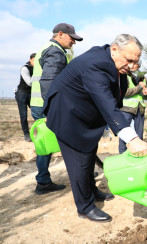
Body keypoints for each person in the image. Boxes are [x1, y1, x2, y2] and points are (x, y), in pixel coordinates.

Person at [43, 34, 147, 223]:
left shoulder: (114, 64)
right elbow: (107, 103)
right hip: (68, 115)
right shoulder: (96, 64)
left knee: (90, 153)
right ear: (115, 49)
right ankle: (84, 207)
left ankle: (91, 190)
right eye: (130, 60)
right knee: (80, 161)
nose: (132, 66)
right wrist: (132, 139)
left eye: (136, 62)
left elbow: (115, 95)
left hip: (84, 114)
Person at [30, 23, 83, 195]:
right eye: (71, 38)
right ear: (60, 34)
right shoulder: (55, 51)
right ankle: (47, 181)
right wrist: (51, 108)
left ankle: (44, 181)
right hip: (46, 106)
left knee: (46, 143)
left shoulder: (47, 48)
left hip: (40, 104)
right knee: (54, 142)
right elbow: (48, 81)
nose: (74, 42)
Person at [118, 62, 147, 153]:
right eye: (133, 64)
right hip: (127, 108)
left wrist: (146, 93)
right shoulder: (124, 76)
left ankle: (139, 153)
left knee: (139, 133)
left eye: (137, 64)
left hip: (140, 108)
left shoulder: (143, 77)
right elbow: (125, 92)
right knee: (124, 132)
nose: (134, 66)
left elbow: (146, 96)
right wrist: (139, 87)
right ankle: (122, 153)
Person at [15, 53, 35, 142]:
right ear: (30, 59)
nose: (36, 62)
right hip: (22, 93)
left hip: (31, 93)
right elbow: (29, 82)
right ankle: (26, 134)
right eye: (34, 60)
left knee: (36, 112)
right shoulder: (24, 68)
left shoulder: (38, 68)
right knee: (23, 115)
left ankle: (40, 132)